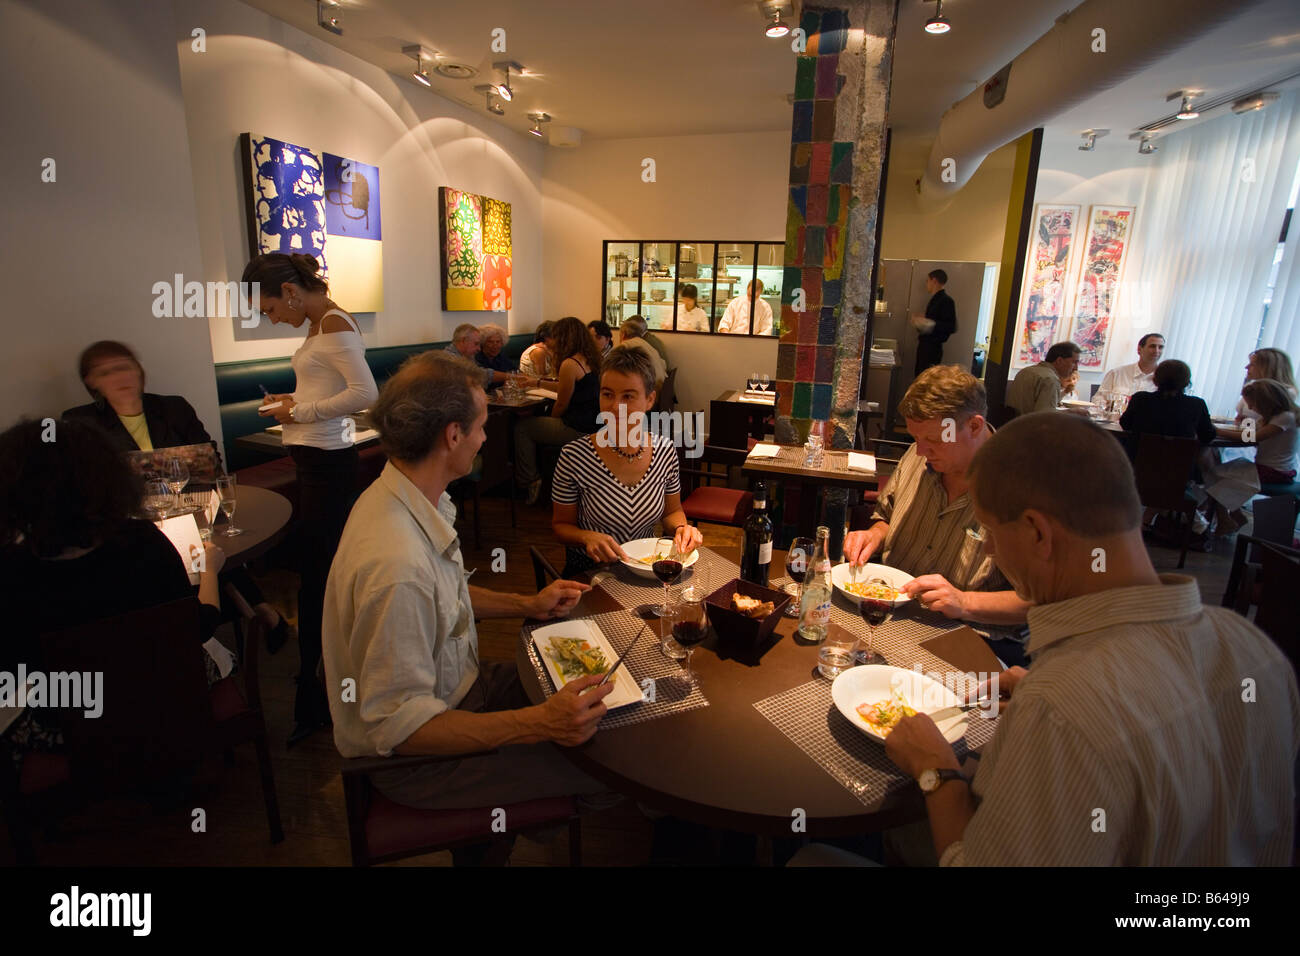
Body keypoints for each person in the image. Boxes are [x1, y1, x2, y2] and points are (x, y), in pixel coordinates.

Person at [836, 413, 1297, 865]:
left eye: (990, 533)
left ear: (1038, 533)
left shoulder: (1062, 707)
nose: (991, 550)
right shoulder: (1257, 652)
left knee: (840, 831)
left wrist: (935, 770)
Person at [321, 351, 614, 836]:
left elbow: (444, 596)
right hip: (418, 762)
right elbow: (401, 727)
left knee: (602, 700)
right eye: (480, 426)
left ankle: (505, 821)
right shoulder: (397, 564)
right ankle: (504, 825)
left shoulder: (401, 496)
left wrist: (526, 604)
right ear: (452, 435)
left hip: (462, 688)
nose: (484, 436)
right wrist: (539, 724)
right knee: (607, 769)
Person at [0, 419, 232, 774]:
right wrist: (210, 570)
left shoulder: (13, 571)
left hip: (69, 724)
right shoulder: (143, 543)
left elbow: (17, 666)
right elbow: (199, 627)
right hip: (167, 701)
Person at [61, 339, 289, 649]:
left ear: (139, 372)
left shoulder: (172, 407)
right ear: (92, 382)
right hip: (132, 521)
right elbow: (84, 483)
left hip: (190, 506)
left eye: (125, 367)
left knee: (204, 537)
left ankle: (231, 619)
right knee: (185, 550)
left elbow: (210, 458)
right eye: (107, 372)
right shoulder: (80, 422)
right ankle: (253, 613)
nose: (120, 377)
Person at [241, 252, 379, 746]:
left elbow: (365, 394)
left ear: (292, 293)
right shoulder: (323, 322)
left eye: (271, 308)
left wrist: (299, 411)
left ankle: (318, 695)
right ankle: (323, 685)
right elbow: (329, 387)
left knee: (318, 578)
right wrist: (291, 404)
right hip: (316, 461)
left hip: (327, 464)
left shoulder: (333, 323)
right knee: (317, 574)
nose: (271, 317)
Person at [841, 366, 1029, 659]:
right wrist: (874, 535)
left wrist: (964, 601)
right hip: (892, 611)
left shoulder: (1022, 489)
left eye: (935, 440)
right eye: (916, 439)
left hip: (968, 634)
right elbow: (886, 516)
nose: (919, 452)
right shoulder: (923, 452)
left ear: (975, 426)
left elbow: (1039, 602)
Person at [552, 346, 704, 577]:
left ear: (650, 400)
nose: (615, 407)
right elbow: (561, 527)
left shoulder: (665, 451)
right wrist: (587, 537)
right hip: (590, 573)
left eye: (628, 396)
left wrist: (682, 529)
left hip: (646, 569)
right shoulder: (574, 456)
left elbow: (672, 511)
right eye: (607, 394)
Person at [515, 317, 603, 505]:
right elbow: (567, 386)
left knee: (523, 427)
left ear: (564, 338)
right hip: (594, 424)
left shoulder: (569, 363)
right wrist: (536, 382)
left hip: (577, 427)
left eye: (555, 337)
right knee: (537, 422)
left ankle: (530, 480)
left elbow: (561, 404)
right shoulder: (590, 359)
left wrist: (551, 419)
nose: (552, 341)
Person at [1118, 360, 1215, 445]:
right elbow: (1207, 436)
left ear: (1155, 380)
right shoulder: (1197, 404)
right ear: (1187, 383)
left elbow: (1125, 424)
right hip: (1180, 464)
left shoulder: (1140, 399)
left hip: (1136, 461)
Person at [1240, 379, 1299, 484]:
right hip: (1273, 470)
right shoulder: (1276, 417)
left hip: (1277, 472)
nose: (1250, 408)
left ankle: (1219, 499)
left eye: (1252, 405)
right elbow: (1249, 434)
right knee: (1227, 469)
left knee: (1220, 472)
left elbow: (1251, 437)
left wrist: (1217, 432)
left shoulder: (1285, 417)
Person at [445, 323, 532, 391]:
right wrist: (512, 377)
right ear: (463, 341)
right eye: (476, 344)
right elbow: (481, 374)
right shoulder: (450, 358)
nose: (479, 349)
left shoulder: (468, 356)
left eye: (498, 342)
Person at [1005, 342, 1080, 416]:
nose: (1076, 368)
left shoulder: (1026, 371)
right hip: (1029, 426)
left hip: (1012, 425)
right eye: (1074, 362)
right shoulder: (1050, 379)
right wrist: (1070, 413)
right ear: (1059, 361)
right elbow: (1045, 417)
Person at [910, 269, 957, 375]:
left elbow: (951, 326)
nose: (926, 284)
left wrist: (928, 322)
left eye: (928, 281)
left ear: (934, 281)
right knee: (920, 377)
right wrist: (921, 320)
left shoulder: (946, 301)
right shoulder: (935, 300)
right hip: (925, 346)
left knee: (926, 379)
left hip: (932, 348)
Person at [1235, 348, 1297, 423]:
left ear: (1269, 368)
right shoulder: (1251, 387)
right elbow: (1240, 418)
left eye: (1252, 365)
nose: (1246, 367)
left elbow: (1269, 426)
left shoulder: (1286, 393)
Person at [1098, 332, 1163, 398]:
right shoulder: (1116, 373)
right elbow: (1099, 399)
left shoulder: (1164, 380)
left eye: (1160, 347)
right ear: (1139, 349)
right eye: (1152, 346)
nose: (1156, 351)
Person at [616, 316, 667, 387]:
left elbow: (614, 369)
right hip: (660, 386)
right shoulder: (645, 343)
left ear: (623, 334)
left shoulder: (626, 345)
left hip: (651, 388)